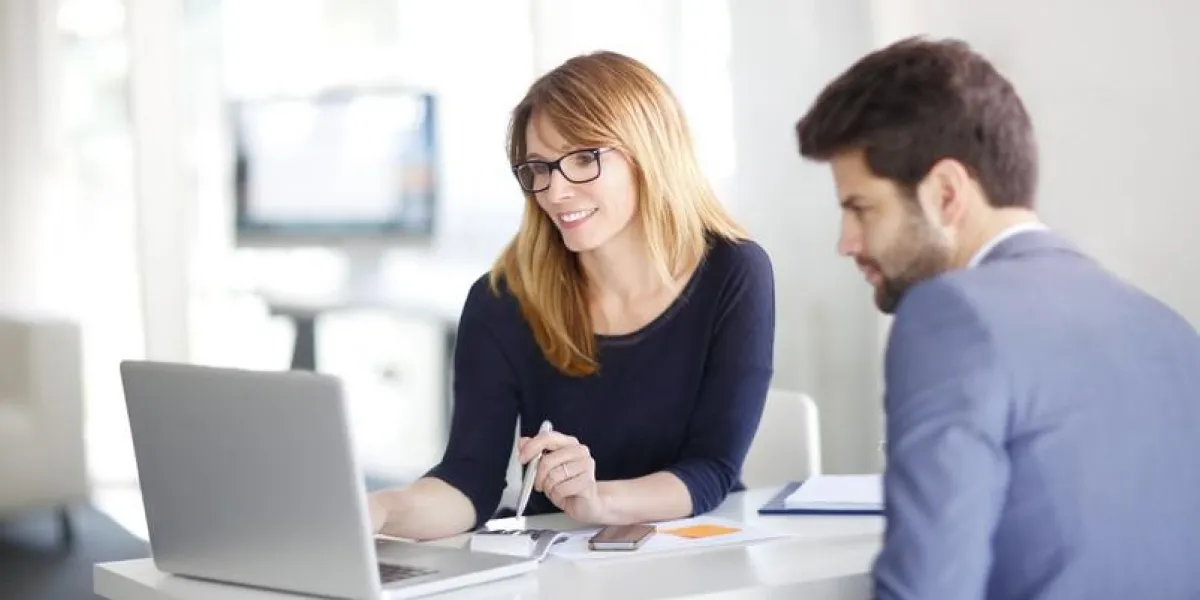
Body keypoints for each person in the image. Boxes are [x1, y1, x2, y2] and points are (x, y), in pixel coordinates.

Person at [794, 36, 1200, 599]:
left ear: (945, 193)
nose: (846, 242)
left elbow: (929, 590)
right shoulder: (1167, 326)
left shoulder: (951, 314)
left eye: (861, 208)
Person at [367, 51, 775, 541]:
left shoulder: (732, 272)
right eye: (539, 168)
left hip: (696, 554)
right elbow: (469, 479)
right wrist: (381, 509)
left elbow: (712, 469)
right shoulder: (502, 301)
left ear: (648, 153)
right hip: (560, 566)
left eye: (583, 158)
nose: (555, 192)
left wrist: (599, 500)